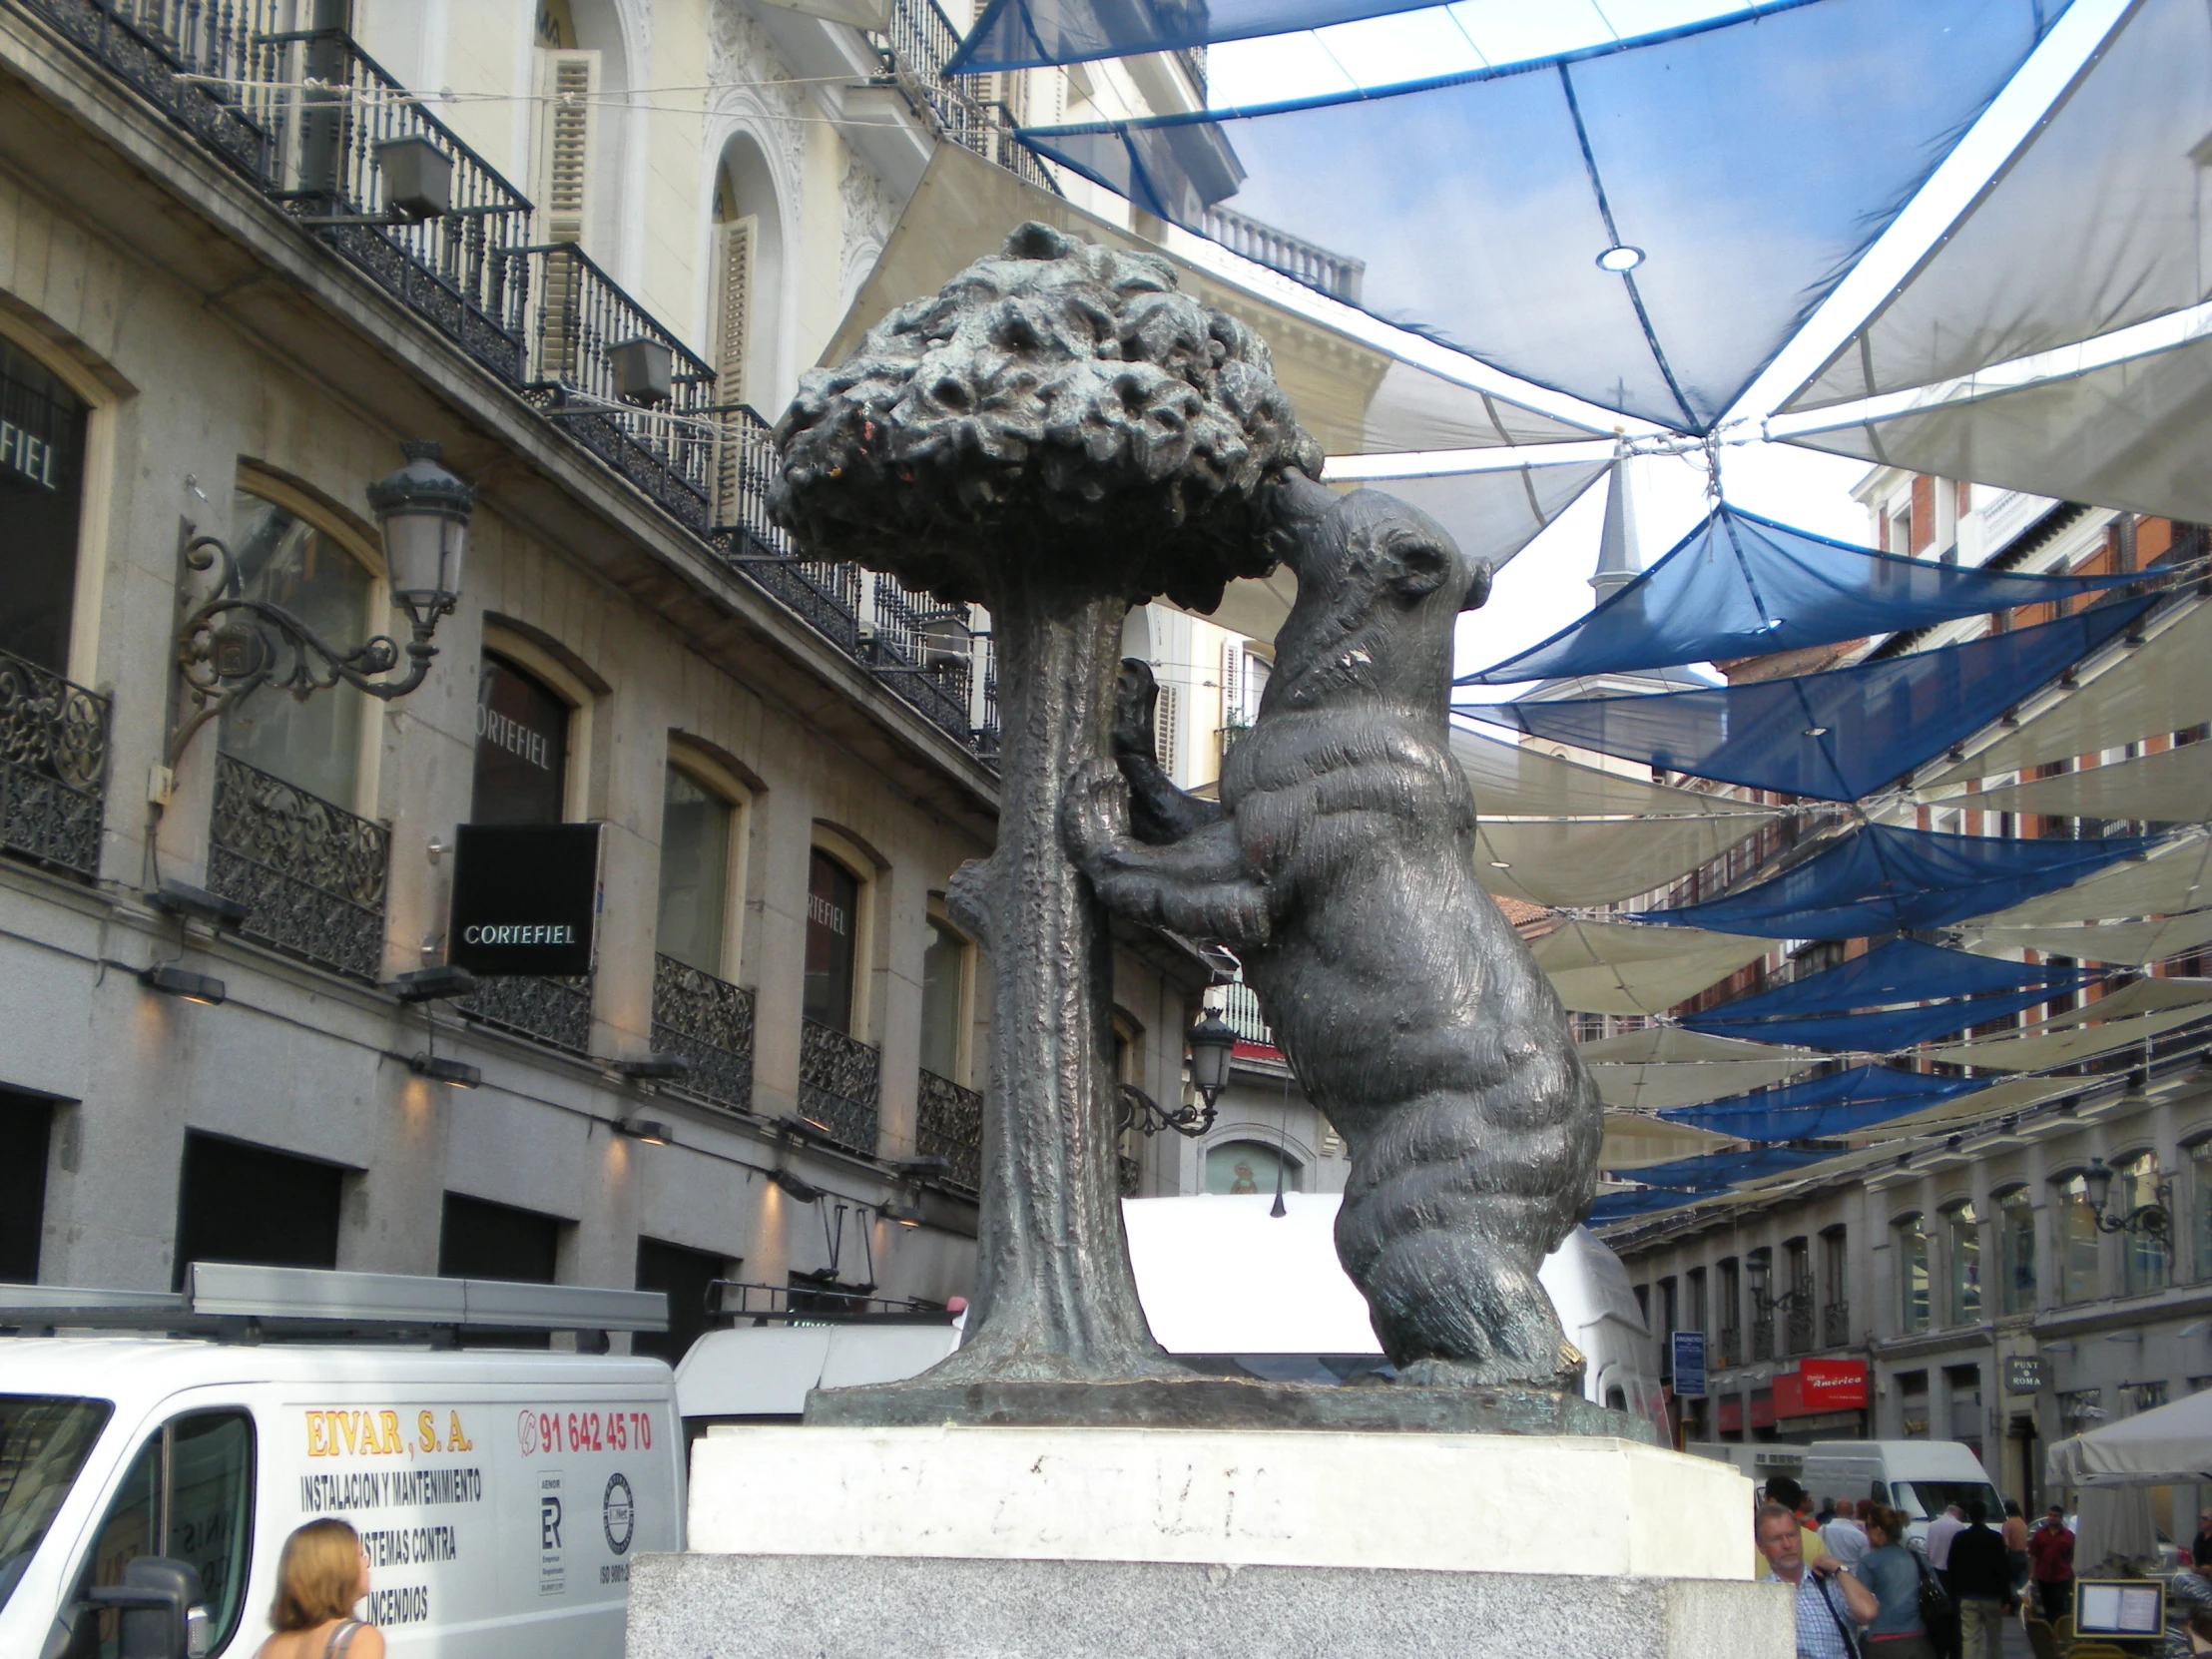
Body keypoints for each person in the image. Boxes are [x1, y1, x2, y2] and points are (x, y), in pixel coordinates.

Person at [1758, 1500, 1880, 1659]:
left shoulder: (1828, 1584)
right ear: (1761, 1546)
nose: (1787, 1544)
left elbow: (1868, 1612)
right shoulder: (1761, 1595)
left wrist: (1838, 1568)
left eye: (1791, 1535)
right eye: (1776, 1539)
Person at [256, 1519, 384, 1659]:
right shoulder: (359, 1639)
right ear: (340, 1567)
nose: (367, 1562)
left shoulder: (268, 1647)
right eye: (359, 1554)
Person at [1859, 1504, 1936, 1658]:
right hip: (1918, 1639)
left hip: (1882, 1640)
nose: (1864, 1530)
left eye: (1867, 1526)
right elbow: (1938, 1590)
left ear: (1878, 1530)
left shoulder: (1869, 1562)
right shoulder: (1918, 1558)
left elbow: (1860, 1605)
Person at [1944, 1499, 2014, 1659]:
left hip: (1968, 1595)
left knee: (1970, 1638)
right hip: (1992, 1596)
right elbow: (2003, 1568)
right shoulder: (1995, 1539)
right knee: (1994, 1638)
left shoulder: (1960, 1538)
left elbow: (1952, 1565)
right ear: (1985, 1516)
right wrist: (2006, 1597)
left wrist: (1957, 1590)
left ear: (1969, 1515)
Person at [2027, 1503, 2076, 1623]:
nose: (2052, 1518)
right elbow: (2034, 1555)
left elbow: (2072, 1555)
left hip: (2061, 1576)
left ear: (2060, 1518)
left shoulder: (2068, 1536)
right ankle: (2050, 1630)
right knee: (2047, 1605)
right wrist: (2031, 1575)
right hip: (2044, 1575)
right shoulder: (2040, 1534)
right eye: (2050, 1515)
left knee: (2059, 1604)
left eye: (2055, 1516)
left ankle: (2058, 1629)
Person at [1825, 1497, 1871, 1569]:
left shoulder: (1823, 1530)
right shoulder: (1860, 1536)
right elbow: (1865, 1561)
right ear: (1852, 1512)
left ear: (1835, 1511)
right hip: (1851, 1576)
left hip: (1828, 1574)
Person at [2000, 1500, 2029, 1597]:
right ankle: (2022, 1605)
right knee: (2022, 1584)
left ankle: (2013, 1605)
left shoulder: (2007, 1524)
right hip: (2023, 1555)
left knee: (2011, 1584)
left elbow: (2006, 1544)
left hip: (2013, 1556)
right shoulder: (2022, 1522)